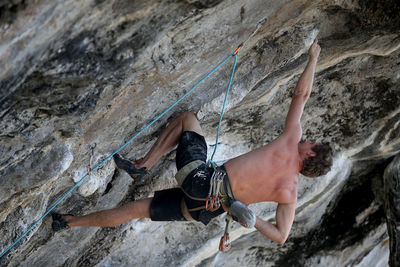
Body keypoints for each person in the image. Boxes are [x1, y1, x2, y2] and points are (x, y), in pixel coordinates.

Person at [52, 39, 333, 245]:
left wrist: (313, 58)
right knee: (132, 212)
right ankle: (66, 222)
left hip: (201, 181)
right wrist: (249, 218)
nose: (307, 138)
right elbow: (281, 236)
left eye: (312, 143)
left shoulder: (290, 142)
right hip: (206, 211)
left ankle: (144, 165)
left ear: (309, 155)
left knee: (188, 119)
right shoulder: (290, 196)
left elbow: (301, 95)